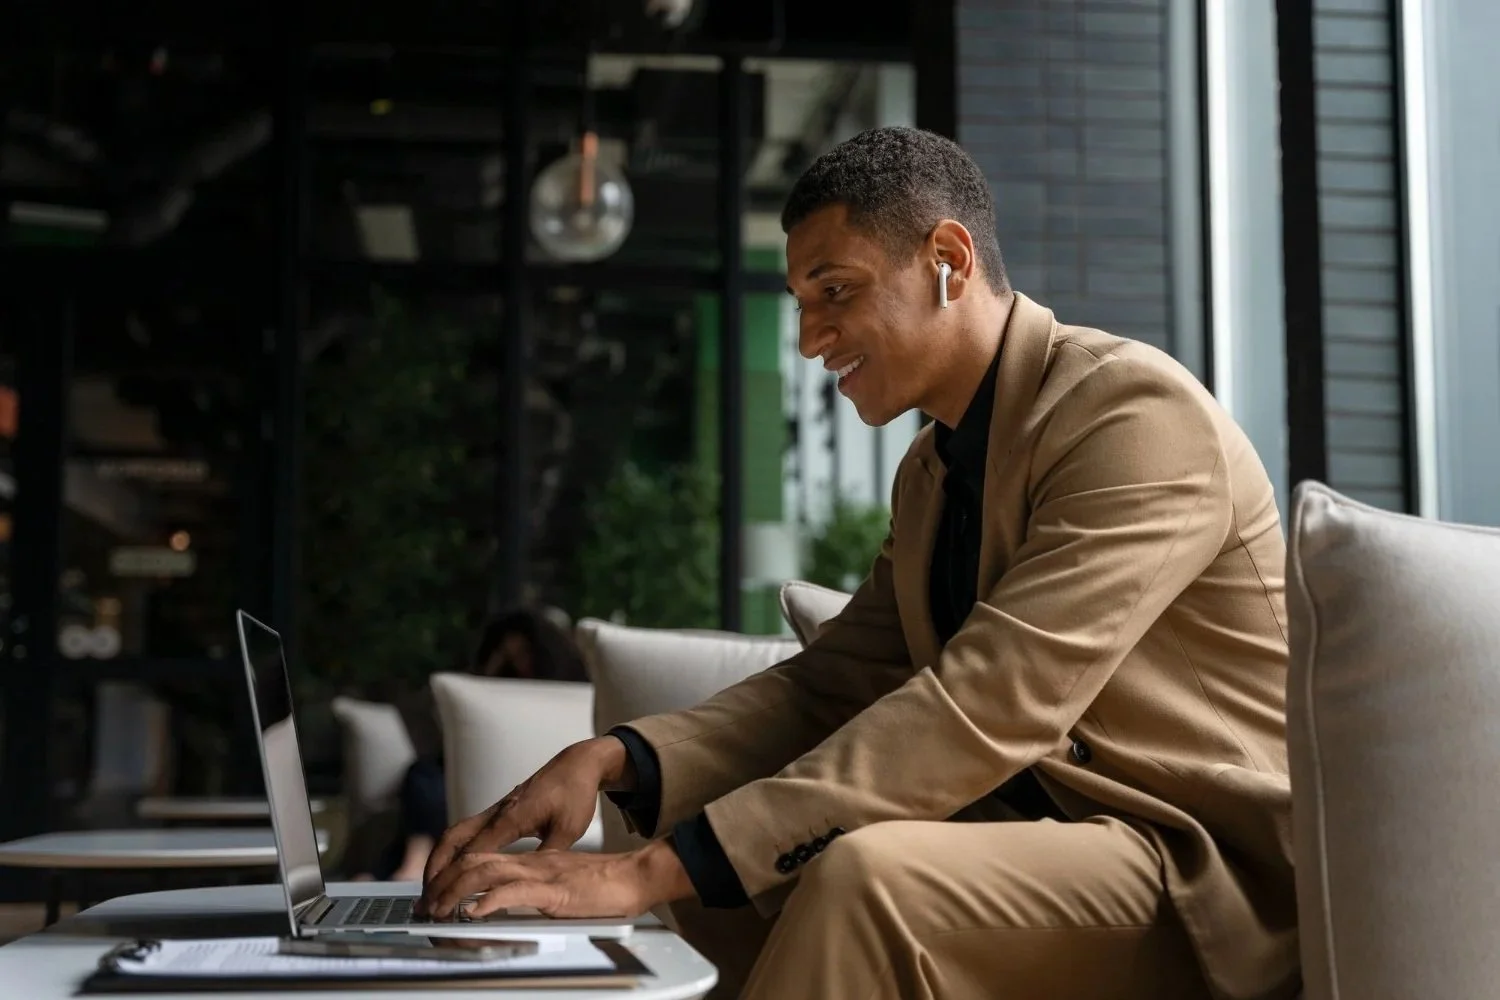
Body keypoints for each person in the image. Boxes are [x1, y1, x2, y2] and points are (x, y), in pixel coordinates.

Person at [418, 127, 1299, 1000]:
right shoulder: (931, 474)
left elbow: (995, 699)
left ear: (948, 259)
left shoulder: (1132, 414)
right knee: (731, 852)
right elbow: (830, 683)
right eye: (801, 301)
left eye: (834, 291)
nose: (810, 339)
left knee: (865, 879)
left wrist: (645, 873)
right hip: (1041, 844)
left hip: (1203, 873)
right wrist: (611, 760)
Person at [360, 608, 588, 881]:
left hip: (535, 772)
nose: (519, 664)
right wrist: (492, 669)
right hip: (479, 768)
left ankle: (403, 867)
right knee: (425, 774)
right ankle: (407, 863)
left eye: (524, 653)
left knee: (427, 778)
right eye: (508, 656)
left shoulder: (573, 689)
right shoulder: (492, 690)